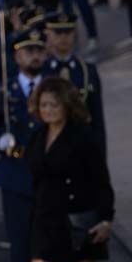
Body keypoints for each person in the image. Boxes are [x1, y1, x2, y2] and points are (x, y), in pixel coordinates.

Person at [11, 77, 113, 262]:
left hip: (78, 217)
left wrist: (106, 218)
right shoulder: (37, 136)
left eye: (54, 104)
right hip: (45, 217)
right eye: (43, 105)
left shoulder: (83, 136)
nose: (48, 110)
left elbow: (101, 181)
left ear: (67, 105)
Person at [0, 27, 46, 262]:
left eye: (38, 50)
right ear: (17, 56)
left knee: (48, 241)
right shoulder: (4, 90)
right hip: (16, 172)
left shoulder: (51, 88)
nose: (34, 56)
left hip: (48, 174)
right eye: (28, 51)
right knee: (20, 243)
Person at [44, 9, 106, 155]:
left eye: (68, 33)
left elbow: (97, 118)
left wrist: (100, 157)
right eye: (58, 33)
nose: (63, 38)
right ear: (49, 35)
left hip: (81, 145)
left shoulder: (87, 70)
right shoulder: (43, 71)